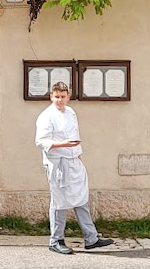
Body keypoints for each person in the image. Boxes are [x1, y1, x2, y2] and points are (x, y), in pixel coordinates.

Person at [35, 81, 113, 255]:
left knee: (81, 198)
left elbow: (75, 135)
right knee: (60, 201)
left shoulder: (71, 112)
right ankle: (56, 240)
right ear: (51, 96)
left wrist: (77, 153)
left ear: (68, 96)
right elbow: (40, 141)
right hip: (58, 163)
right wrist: (63, 144)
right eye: (57, 97)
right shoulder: (46, 116)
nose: (60, 100)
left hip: (74, 160)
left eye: (63, 97)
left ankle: (91, 238)